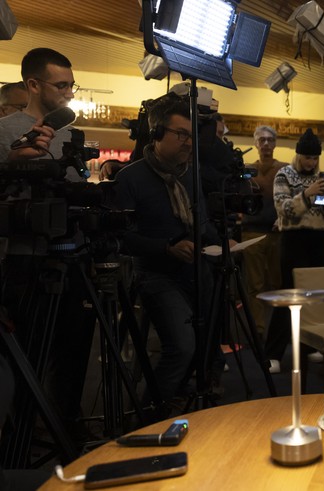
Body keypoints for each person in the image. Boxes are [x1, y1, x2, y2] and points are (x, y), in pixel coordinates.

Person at [0, 48, 95, 443]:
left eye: (72, 85)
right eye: (61, 85)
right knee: (26, 360)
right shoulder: (5, 132)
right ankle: (20, 440)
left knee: (72, 357)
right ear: (33, 85)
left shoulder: (71, 135)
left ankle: (66, 430)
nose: (69, 93)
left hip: (72, 256)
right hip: (23, 263)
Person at [113, 93, 223, 407]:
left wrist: (222, 243)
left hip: (197, 271)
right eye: (181, 135)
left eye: (192, 136)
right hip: (157, 275)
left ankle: (184, 404)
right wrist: (167, 248)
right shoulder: (130, 178)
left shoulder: (191, 175)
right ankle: (150, 415)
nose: (189, 143)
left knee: (205, 345)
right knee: (183, 346)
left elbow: (201, 222)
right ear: (158, 134)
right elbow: (121, 238)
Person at [263, 128, 324, 371]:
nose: (312, 162)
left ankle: (309, 346)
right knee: (289, 294)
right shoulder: (283, 175)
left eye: (315, 158)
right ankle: (273, 353)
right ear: (298, 155)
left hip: (321, 239)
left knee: (314, 296)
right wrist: (307, 195)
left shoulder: (321, 177)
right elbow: (283, 209)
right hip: (294, 239)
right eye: (308, 157)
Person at [241, 126, 285, 339]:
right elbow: (237, 194)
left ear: (275, 144)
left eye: (270, 140)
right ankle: (257, 332)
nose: (266, 144)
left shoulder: (285, 169)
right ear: (256, 143)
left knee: (278, 284)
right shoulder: (247, 169)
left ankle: (278, 333)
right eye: (262, 140)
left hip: (279, 233)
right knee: (254, 285)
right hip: (251, 231)